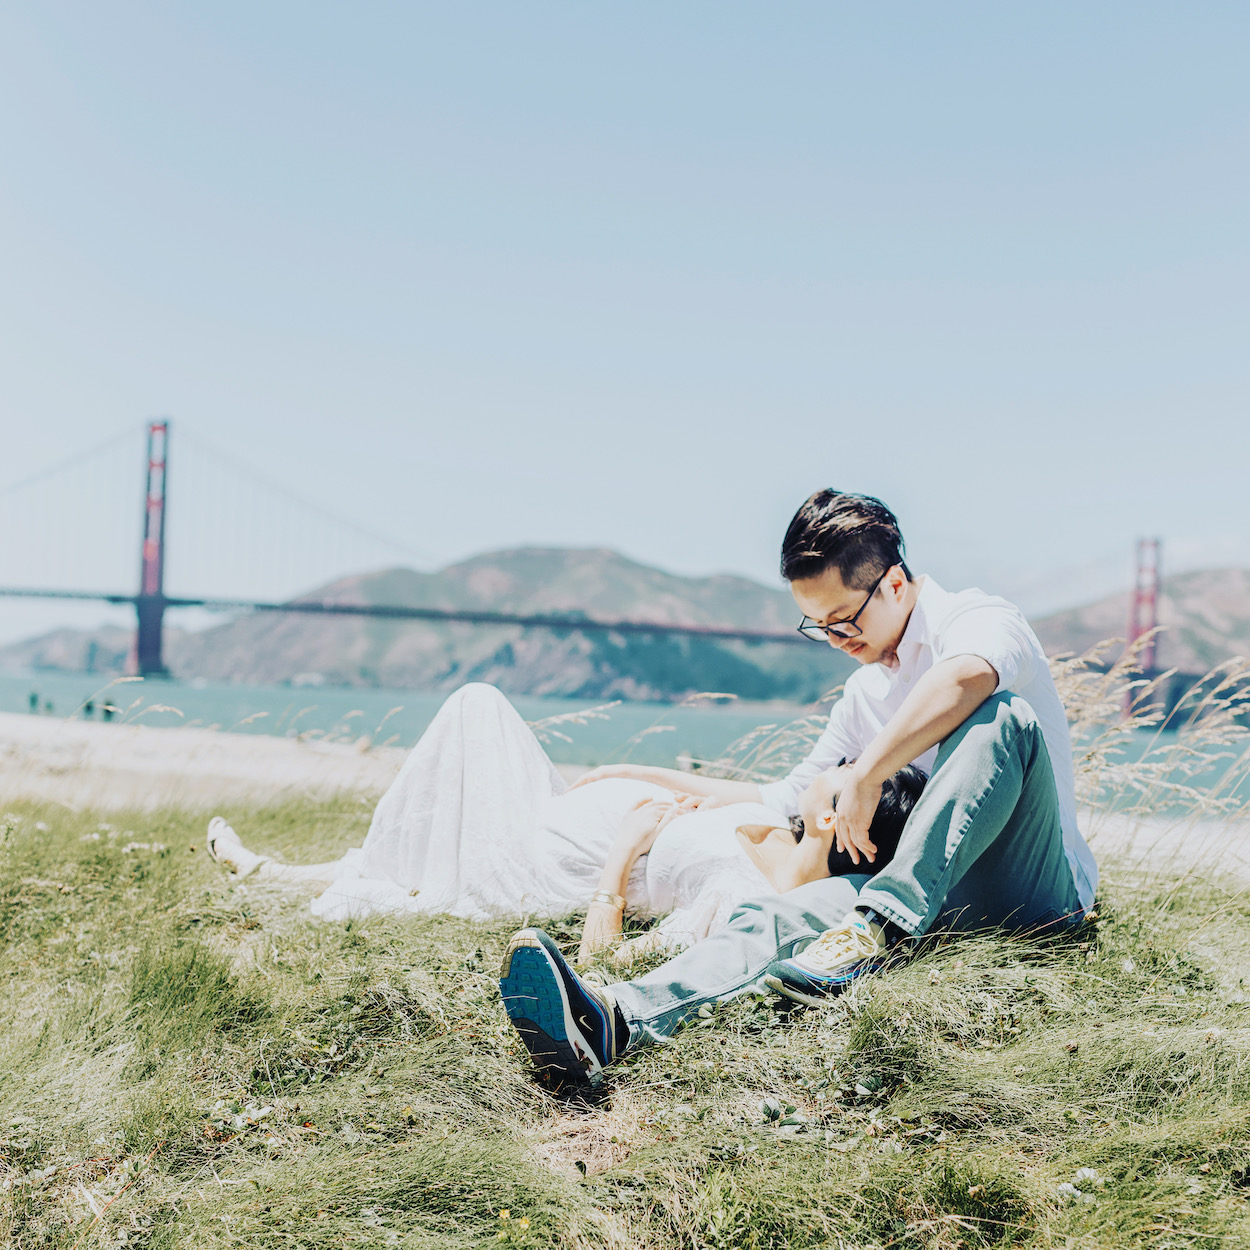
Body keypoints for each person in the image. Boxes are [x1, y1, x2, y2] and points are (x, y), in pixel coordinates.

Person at [499, 489, 1097, 1088]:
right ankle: (610, 1022)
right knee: (773, 916)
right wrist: (637, 776)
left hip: (1032, 888)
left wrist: (866, 774)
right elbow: (785, 795)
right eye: (819, 625)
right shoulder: (865, 694)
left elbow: (968, 675)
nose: (836, 639)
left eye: (845, 619)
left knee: (1001, 716)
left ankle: (878, 923)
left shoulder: (975, 619)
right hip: (926, 904)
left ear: (892, 584)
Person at [206, 681, 925, 964]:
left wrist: (622, 855)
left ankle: (270, 875)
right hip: (555, 815)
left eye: (848, 773)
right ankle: (273, 872)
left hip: (542, 866)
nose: (837, 767)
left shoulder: (746, 902)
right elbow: (719, 791)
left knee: (471, 710)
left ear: (845, 822)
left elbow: (608, 963)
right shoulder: (781, 821)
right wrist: (628, 774)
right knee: (479, 710)